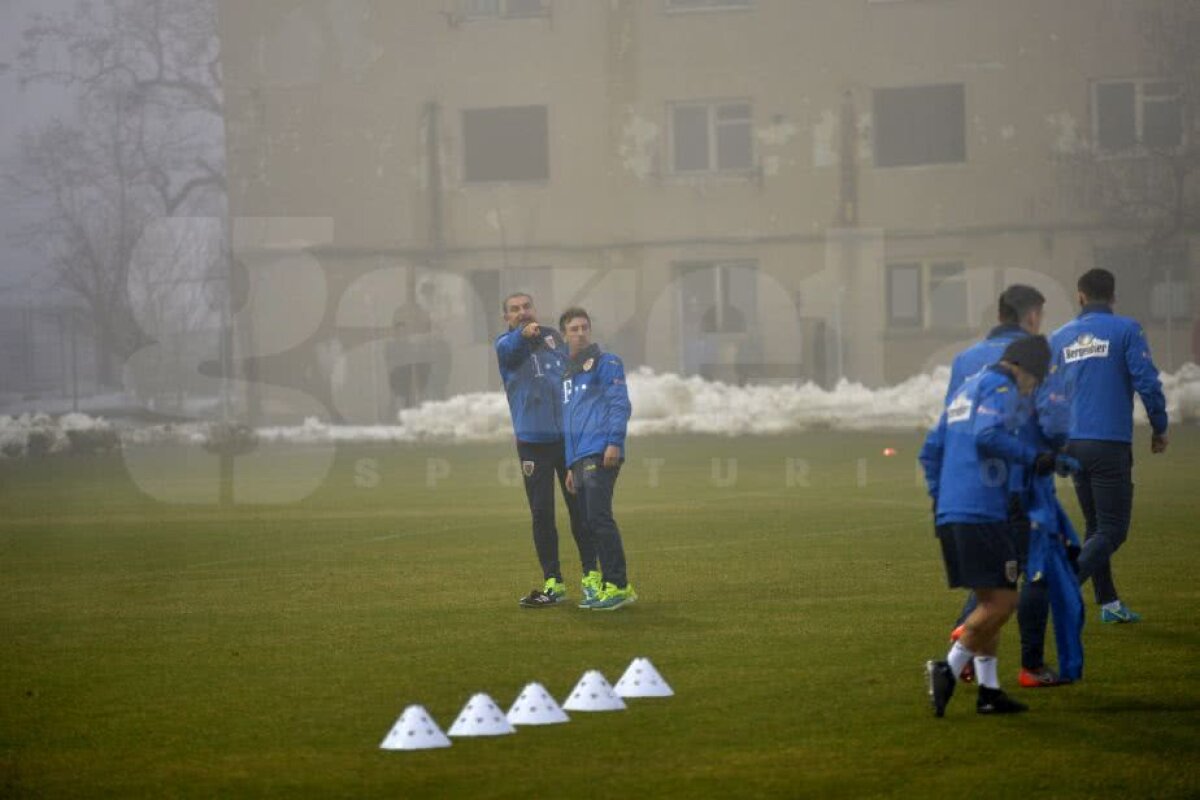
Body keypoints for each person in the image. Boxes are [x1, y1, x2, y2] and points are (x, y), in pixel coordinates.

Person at [920, 335, 1067, 716]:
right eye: (1034, 381)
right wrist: (1034, 458)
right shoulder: (1000, 386)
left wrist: (942, 499)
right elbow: (989, 435)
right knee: (1005, 602)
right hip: (982, 511)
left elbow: (930, 449)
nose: (1032, 389)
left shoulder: (965, 390)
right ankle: (948, 668)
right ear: (1025, 370)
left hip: (955, 512)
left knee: (990, 599)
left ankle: (989, 691)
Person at [943, 285, 1078, 688]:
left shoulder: (964, 360)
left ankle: (969, 642)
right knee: (1035, 572)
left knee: (1000, 574)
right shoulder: (1038, 356)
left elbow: (955, 421)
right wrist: (1060, 451)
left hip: (979, 489)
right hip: (1027, 479)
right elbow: (1053, 419)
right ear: (1031, 315)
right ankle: (1028, 665)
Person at [1047, 268, 1169, 623]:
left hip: (1071, 444)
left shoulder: (1059, 338)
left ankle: (1109, 603)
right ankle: (1065, 584)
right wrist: (1159, 426)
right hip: (1108, 443)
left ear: (1080, 296)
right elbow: (1146, 382)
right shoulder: (1126, 330)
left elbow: (1047, 394)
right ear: (1113, 297)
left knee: (1095, 525)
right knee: (1113, 530)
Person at [494, 293, 600, 609]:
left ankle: (591, 579)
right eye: (515, 310)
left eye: (527, 307)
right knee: (542, 513)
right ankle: (553, 582)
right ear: (507, 318)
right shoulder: (505, 345)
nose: (523, 313)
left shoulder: (553, 338)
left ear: (534, 309)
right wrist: (522, 335)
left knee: (580, 510)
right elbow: (513, 347)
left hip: (567, 441)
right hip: (532, 443)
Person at [559, 306, 637, 611]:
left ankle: (618, 585)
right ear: (565, 333)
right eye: (574, 329)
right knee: (589, 522)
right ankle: (612, 586)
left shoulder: (607, 363)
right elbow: (569, 421)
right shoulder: (567, 374)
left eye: (584, 328)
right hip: (578, 457)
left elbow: (620, 404)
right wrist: (569, 464)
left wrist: (614, 443)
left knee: (599, 518)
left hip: (601, 450)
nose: (580, 333)